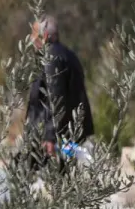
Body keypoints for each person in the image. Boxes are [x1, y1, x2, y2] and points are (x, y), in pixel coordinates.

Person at [25, 15, 94, 162]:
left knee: (33, 175)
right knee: (64, 176)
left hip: (53, 139)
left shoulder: (52, 58)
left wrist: (49, 136)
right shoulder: (66, 54)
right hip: (67, 133)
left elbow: (55, 97)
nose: (31, 39)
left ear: (44, 36)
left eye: (34, 34)